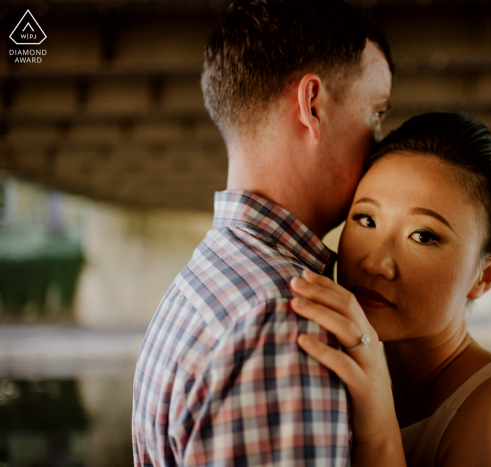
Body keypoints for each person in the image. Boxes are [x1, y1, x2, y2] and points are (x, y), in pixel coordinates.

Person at [131, 0, 392, 465]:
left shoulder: (207, 282)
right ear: (312, 105)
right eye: (376, 112)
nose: (380, 144)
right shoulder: (286, 319)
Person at [288, 112, 491, 466]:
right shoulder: (321, 368)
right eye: (366, 219)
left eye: (423, 236)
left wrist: (378, 433)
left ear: (484, 276)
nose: (376, 263)